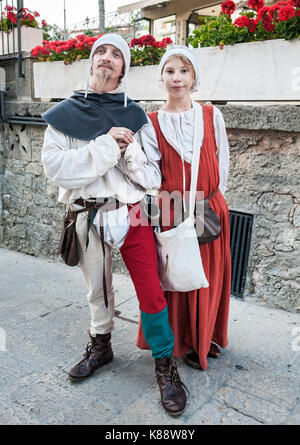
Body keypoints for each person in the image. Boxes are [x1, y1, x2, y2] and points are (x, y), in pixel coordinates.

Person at [41, 34, 187, 416]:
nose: (107, 58)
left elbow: (153, 177)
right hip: (85, 214)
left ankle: (164, 364)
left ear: (124, 69)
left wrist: (129, 154)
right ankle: (101, 346)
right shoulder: (63, 115)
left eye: (116, 55)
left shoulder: (134, 115)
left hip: (132, 211)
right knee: (98, 292)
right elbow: (57, 170)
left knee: (151, 290)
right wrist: (106, 146)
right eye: (101, 52)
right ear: (91, 61)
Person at [137, 45, 231, 372]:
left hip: (208, 207)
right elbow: (150, 173)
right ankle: (177, 342)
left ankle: (204, 339)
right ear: (161, 76)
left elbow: (222, 162)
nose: (177, 78)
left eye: (184, 71)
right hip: (170, 209)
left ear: (194, 77)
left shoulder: (210, 115)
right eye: (170, 71)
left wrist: (214, 202)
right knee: (174, 278)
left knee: (208, 276)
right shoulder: (150, 122)